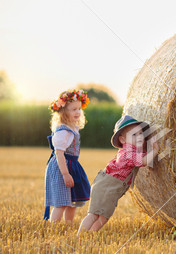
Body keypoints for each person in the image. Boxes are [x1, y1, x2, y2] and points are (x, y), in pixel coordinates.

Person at [77, 115, 159, 235]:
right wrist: (155, 150)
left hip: (112, 190)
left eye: (141, 133)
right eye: (134, 135)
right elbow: (145, 161)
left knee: (104, 217)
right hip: (105, 186)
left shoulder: (135, 151)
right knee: (93, 215)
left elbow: (143, 154)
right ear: (122, 140)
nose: (140, 137)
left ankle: (90, 235)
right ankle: (79, 236)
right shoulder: (127, 154)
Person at [44, 89, 91, 223]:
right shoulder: (63, 131)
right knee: (62, 202)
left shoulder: (72, 128)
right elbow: (59, 153)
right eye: (73, 109)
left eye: (79, 109)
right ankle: (54, 226)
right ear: (64, 112)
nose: (77, 112)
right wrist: (65, 174)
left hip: (72, 165)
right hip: (62, 166)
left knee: (72, 201)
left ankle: (68, 224)